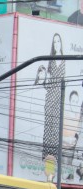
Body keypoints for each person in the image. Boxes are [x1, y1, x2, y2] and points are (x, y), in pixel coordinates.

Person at [43, 33, 65, 161]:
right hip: (51, 95)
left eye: (58, 41)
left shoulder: (65, 58)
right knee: (48, 126)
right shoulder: (50, 60)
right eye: (55, 42)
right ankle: (46, 156)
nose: (57, 44)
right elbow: (47, 79)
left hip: (59, 97)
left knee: (56, 127)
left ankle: (55, 158)